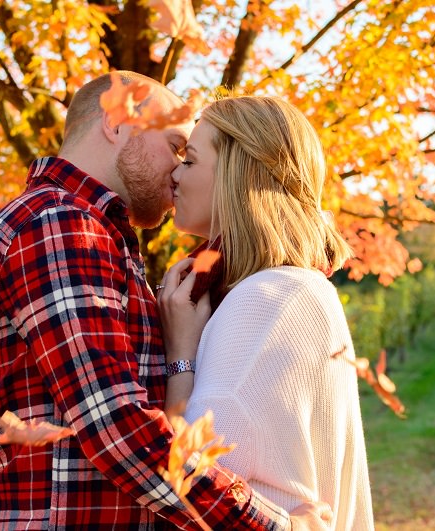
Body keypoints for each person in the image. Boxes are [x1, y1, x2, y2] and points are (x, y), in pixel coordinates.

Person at [0, 71, 332, 530]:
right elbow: (115, 426)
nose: (177, 168)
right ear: (117, 123)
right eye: (176, 145)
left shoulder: (97, 237)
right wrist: (275, 525)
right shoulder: (58, 226)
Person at [158, 96, 375, 530]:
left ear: (238, 176)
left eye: (190, 160)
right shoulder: (292, 288)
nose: (174, 175)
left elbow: (182, 480)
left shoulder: (267, 301)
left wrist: (180, 352)